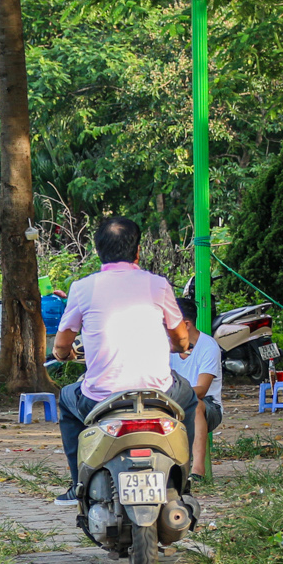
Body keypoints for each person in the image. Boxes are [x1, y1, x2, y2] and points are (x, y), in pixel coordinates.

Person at [49, 215, 195, 505]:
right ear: (138, 250)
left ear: (97, 251)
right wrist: (179, 346)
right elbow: (180, 338)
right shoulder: (158, 285)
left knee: (66, 399)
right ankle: (183, 475)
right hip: (158, 394)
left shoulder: (82, 288)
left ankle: (78, 482)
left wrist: (63, 355)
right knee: (189, 399)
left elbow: (62, 344)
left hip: (101, 397)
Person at [169, 301, 223, 480]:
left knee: (196, 405)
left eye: (169, 322)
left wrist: (172, 396)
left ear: (186, 324)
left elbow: (201, 389)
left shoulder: (208, 346)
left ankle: (197, 471)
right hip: (170, 399)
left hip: (208, 405)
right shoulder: (166, 347)